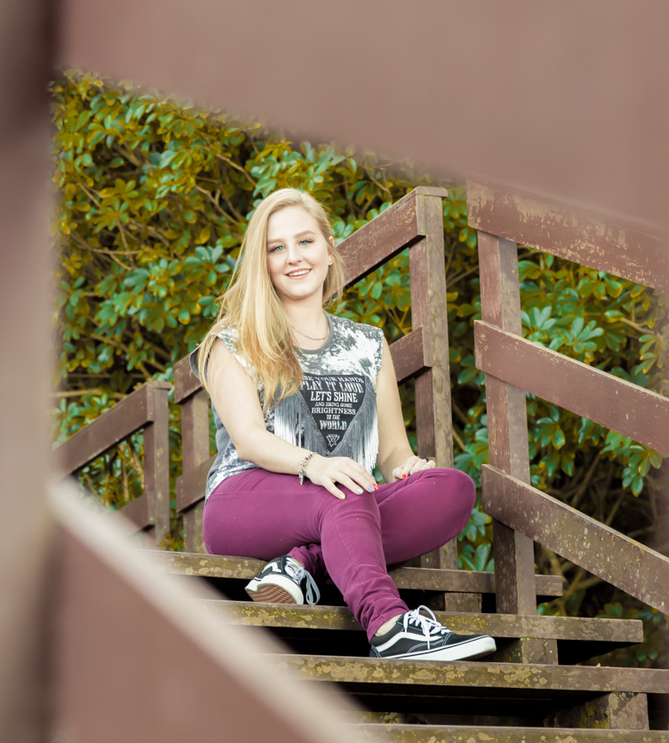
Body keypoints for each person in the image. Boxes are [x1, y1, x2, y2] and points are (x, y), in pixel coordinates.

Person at [189, 187, 494, 662]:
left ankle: (303, 563)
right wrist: (313, 464)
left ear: (330, 251)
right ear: (262, 262)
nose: (294, 257)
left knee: (451, 489)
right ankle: (390, 627)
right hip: (243, 501)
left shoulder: (368, 344)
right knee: (346, 490)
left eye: (305, 242)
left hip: (344, 498)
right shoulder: (232, 343)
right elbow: (248, 439)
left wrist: (406, 466)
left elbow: (391, 451)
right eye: (276, 248)